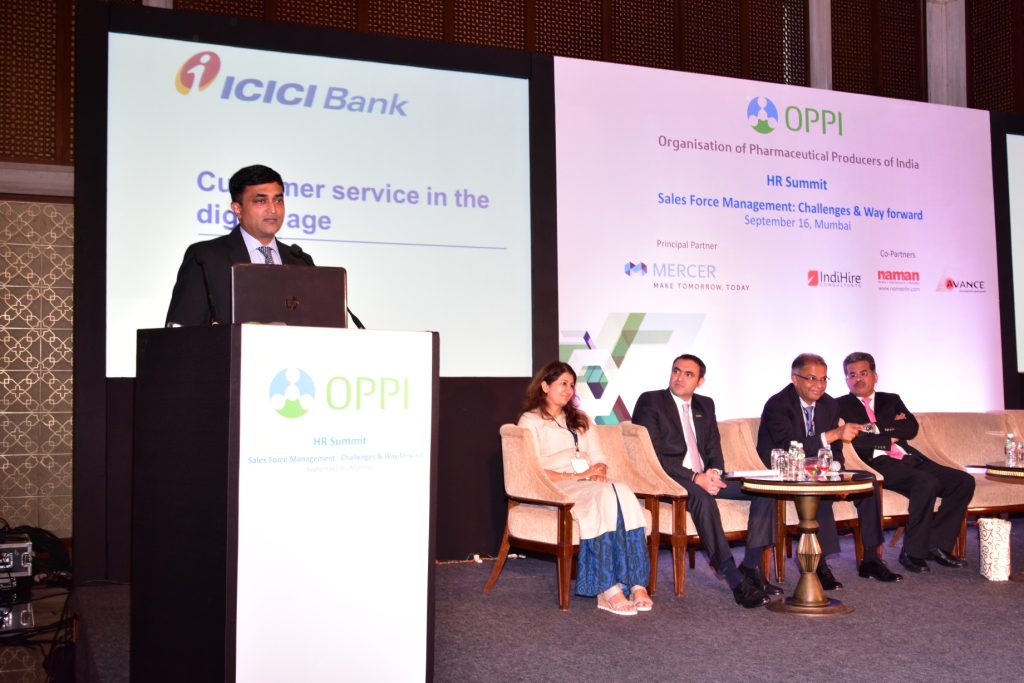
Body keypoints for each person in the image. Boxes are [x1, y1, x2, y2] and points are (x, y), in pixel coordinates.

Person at [632, 354, 778, 608]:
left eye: (688, 374)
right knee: (701, 498)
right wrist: (694, 477)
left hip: (703, 475)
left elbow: (713, 446)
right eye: (676, 371)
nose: (680, 377)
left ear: (700, 381)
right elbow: (652, 454)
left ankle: (750, 566)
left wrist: (714, 472)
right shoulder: (651, 401)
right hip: (669, 478)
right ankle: (735, 579)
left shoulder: (705, 404)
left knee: (763, 490)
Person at [756, 353, 903, 588]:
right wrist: (833, 434)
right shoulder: (778, 405)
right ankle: (819, 564)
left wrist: (838, 474)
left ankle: (871, 559)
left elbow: (836, 450)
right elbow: (790, 447)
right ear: (795, 378)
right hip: (785, 473)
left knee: (868, 482)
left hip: (819, 470)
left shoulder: (829, 404)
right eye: (812, 378)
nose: (819, 385)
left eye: (824, 379)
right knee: (820, 491)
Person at [517, 361, 652, 616]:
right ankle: (607, 588)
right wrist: (576, 475)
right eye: (562, 384)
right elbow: (532, 469)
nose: (568, 390)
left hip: (588, 481)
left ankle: (636, 583)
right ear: (545, 386)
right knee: (603, 495)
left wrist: (597, 470)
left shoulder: (580, 419)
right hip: (555, 486)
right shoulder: (531, 420)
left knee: (622, 490)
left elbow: (599, 457)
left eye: (571, 385)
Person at [836, 351, 974, 573]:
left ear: (875, 376)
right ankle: (912, 552)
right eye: (852, 375)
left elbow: (910, 428)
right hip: (876, 462)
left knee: (963, 481)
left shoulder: (891, 399)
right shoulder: (838, 405)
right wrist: (889, 436)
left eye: (863, 373)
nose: (858, 379)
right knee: (926, 483)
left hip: (909, 457)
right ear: (846, 379)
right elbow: (855, 442)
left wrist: (873, 428)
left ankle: (936, 545)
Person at [165, 164, 314, 326]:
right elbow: (182, 330)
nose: (273, 209)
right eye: (261, 201)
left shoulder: (301, 261)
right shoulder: (205, 258)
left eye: (278, 200)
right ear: (237, 209)